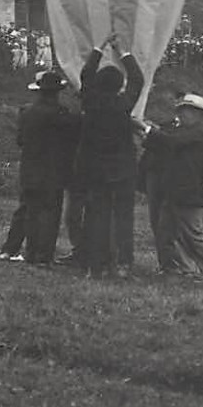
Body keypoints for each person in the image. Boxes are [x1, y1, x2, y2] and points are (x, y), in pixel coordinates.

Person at [0, 70, 81, 266]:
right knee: (50, 214)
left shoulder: (26, 112)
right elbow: (74, 136)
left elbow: (20, 140)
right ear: (57, 92)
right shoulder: (62, 115)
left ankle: (29, 253)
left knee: (30, 212)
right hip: (54, 171)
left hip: (30, 169)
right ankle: (44, 256)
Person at [77, 33, 144, 278]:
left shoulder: (90, 102)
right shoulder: (123, 105)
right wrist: (122, 51)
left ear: (97, 84)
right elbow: (138, 79)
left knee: (98, 215)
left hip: (95, 167)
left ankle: (97, 263)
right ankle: (124, 263)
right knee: (124, 216)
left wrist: (99, 47)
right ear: (119, 85)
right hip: (123, 168)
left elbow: (85, 75)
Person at [141, 92, 203, 279]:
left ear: (200, 115)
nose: (184, 114)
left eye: (190, 111)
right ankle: (184, 269)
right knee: (167, 231)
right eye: (183, 110)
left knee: (193, 233)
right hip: (174, 190)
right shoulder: (183, 131)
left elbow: (170, 142)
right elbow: (165, 141)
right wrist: (152, 131)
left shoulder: (197, 133)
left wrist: (148, 130)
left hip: (186, 191)